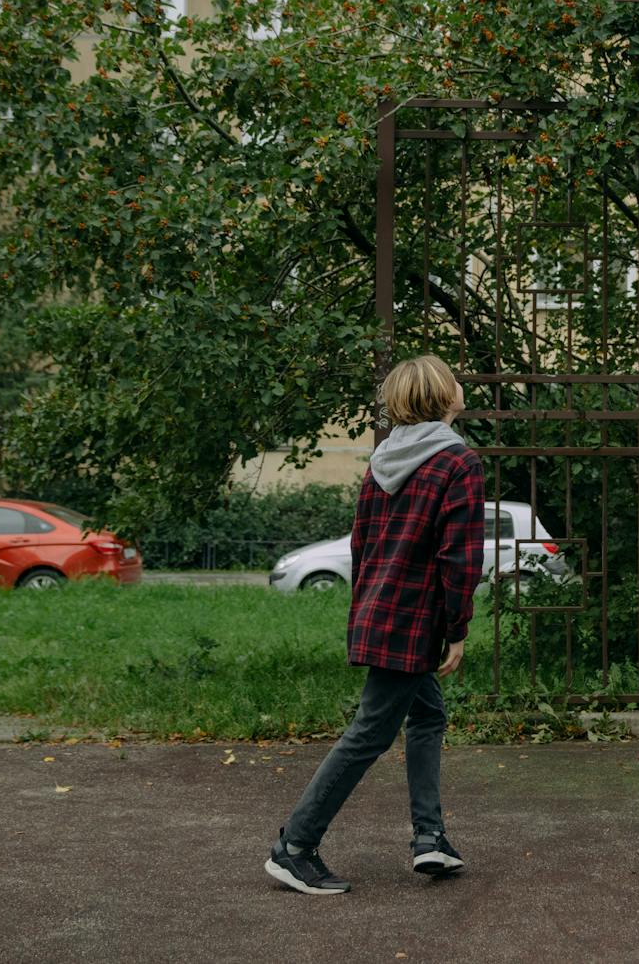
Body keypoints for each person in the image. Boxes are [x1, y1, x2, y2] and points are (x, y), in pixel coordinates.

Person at [265, 354, 484, 895]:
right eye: (454, 377)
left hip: (379, 612)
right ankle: (294, 845)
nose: (461, 383)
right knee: (371, 732)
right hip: (416, 621)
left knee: (427, 715)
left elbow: (362, 547)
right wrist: (457, 628)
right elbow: (459, 560)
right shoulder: (458, 463)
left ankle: (430, 837)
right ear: (442, 395)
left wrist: (366, 610)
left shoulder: (382, 461)